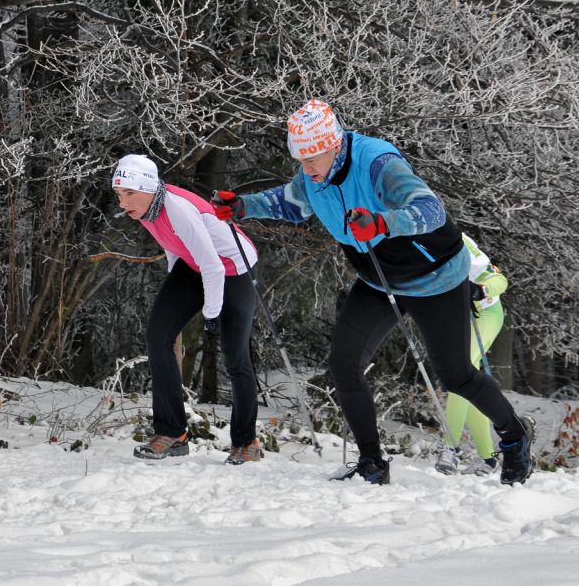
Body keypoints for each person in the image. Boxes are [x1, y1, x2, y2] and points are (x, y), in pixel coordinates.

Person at [211, 99, 534, 485]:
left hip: (437, 277)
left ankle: (515, 439)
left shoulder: (378, 162)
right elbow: (292, 202)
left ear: (335, 144)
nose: (307, 168)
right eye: (301, 158)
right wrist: (244, 206)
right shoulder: (314, 176)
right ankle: (371, 463)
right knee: (344, 363)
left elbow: (430, 210)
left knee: (457, 376)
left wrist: (383, 221)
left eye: (314, 157)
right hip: (379, 279)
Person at [112, 154, 263, 464]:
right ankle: (172, 433)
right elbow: (172, 245)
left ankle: (246, 442)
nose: (122, 202)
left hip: (234, 267)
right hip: (194, 265)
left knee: (235, 358)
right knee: (158, 336)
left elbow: (214, 266)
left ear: (148, 188)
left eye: (128, 193)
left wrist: (211, 313)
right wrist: (175, 293)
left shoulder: (177, 208)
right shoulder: (144, 209)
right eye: (118, 195)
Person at [435, 234, 509, 476]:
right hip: (459, 318)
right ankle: (488, 459)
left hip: (486, 314)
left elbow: (499, 279)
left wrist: (481, 289)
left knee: (461, 373)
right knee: (470, 381)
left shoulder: (458, 243)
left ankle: (450, 448)